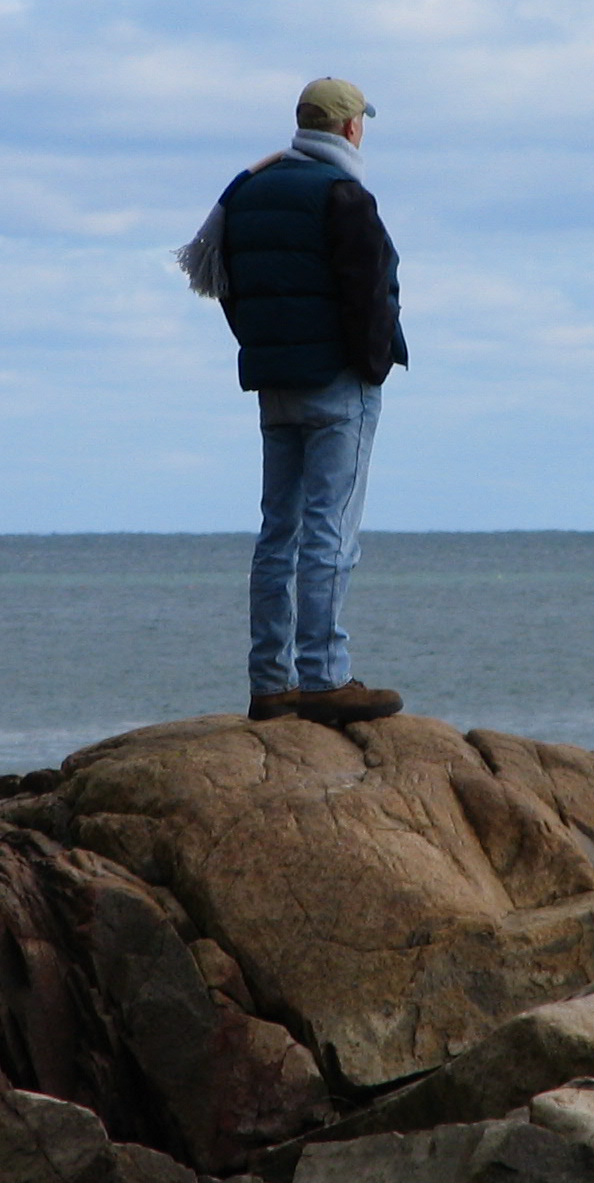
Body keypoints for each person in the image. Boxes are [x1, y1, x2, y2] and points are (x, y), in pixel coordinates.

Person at [178, 78, 408, 726]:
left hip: (274, 382)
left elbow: (226, 287)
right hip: (338, 382)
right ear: (349, 128)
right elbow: (371, 292)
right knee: (332, 532)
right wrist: (372, 365)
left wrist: (268, 349)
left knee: (279, 531)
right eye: (361, 121)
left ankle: (269, 682)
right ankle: (326, 678)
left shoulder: (249, 194)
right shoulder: (343, 193)